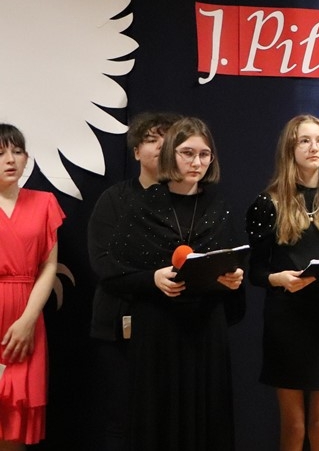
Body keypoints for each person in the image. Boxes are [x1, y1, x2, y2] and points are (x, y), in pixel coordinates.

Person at [97, 116, 245, 451]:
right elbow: (115, 272)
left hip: (205, 329)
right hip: (158, 331)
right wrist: (152, 279)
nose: (196, 163)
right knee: (159, 419)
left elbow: (234, 263)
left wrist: (234, 278)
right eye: (187, 153)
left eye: (204, 155)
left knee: (207, 418)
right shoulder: (142, 206)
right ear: (170, 155)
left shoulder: (219, 206)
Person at [246, 114, 319, 451]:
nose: (314, 148)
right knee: (294, 427)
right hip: (286, 321)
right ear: (290, 148)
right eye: (305, 141)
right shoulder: (268, 204)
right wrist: (278, 279)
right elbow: (255, 272)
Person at [87, 110, 180, 451]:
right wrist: (150, 279)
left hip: (173, 328)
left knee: (169, 421)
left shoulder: (187, 200)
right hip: (118, 325)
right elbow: (103, 263)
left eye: (168, 141)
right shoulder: (114, 199)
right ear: (137, 151)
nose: (160, 147)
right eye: (152, 140)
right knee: (122, 420)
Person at [0, 124, 64, 450]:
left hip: (27, 318)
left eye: (17, 151)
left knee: (16, 422)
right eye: (0, 153)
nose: (10, 160)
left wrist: (27, 320)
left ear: (27, 158)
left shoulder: (44, 203)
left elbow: (48, 267)